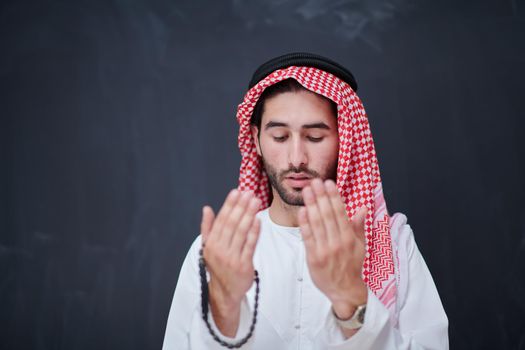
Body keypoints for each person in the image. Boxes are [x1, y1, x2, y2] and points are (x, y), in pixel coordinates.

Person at [162, 52, 449, 349]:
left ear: (344, 141)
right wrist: (223, 309)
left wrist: (351, 298)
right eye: (280, 137)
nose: (297, 158)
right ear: (256, 140)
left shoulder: (393, 244)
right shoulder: (218, 252)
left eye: (314, 137)